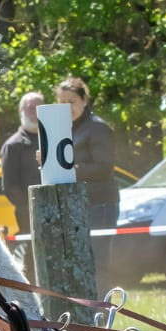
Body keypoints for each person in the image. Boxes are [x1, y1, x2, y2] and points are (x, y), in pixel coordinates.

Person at [56, 76, 119, 281]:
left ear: (84, 101)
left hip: (100, 204)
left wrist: (68, 169)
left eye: (72, 102)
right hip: (76, 203)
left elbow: (104, 167)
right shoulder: (63, 128)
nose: (67, 107)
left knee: (98, 262)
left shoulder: (97, 127)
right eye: (62, 102)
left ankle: (102, 309)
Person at [0, 90, 44, 234]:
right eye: (31, 108)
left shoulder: (53, 140)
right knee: (32, 255)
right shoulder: (12, 146)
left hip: (57, 210)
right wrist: (30, 207)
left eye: (40, 108)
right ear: (21, 111)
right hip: (29, 216)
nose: (35, 113)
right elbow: (10, 186)